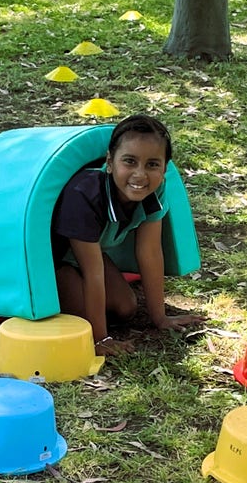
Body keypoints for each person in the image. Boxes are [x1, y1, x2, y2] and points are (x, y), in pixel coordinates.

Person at [51, 114, 205, 356]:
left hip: (93, 255)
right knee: (85, 313)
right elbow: (93, 272)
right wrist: (100, 339)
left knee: (125, 308)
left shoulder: (155, 190)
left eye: (152, 164)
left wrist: (160, 317)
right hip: (56, 263)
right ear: (110, 163)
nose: (140, 175)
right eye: (130, 161)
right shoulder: (85, 195)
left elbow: (150, 252)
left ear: (165, 168)